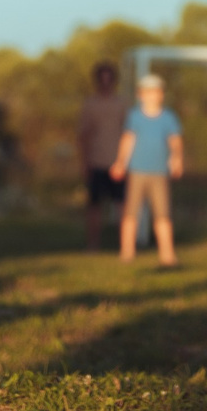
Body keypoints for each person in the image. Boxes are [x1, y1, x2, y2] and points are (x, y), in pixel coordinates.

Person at [111, 72, 184, 265]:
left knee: (162, 214)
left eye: (156, 92)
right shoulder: (134, 117)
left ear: (162, 94)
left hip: (159, 172)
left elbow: (175, 141)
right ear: (140, 95)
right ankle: (127, 252)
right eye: (148, 92)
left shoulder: (168, 117)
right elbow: (128, 140)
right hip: (137, 171)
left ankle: (167, 254)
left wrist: (177, 158)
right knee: (131, 212)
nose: (153, 96)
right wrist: (120, 162)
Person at [76, 62, 129, 249]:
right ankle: (93, 245)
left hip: (119, 163)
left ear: (114, 81)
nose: (105, 83)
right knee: (94, 206)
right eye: (102, 79)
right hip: (96, 162)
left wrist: (125, 161)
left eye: (109, 79)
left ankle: (125, 246)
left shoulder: (122, 104)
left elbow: (129, 134)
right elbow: (83, 136)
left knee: (122, 205)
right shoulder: (90, 104)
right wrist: (84, 162)